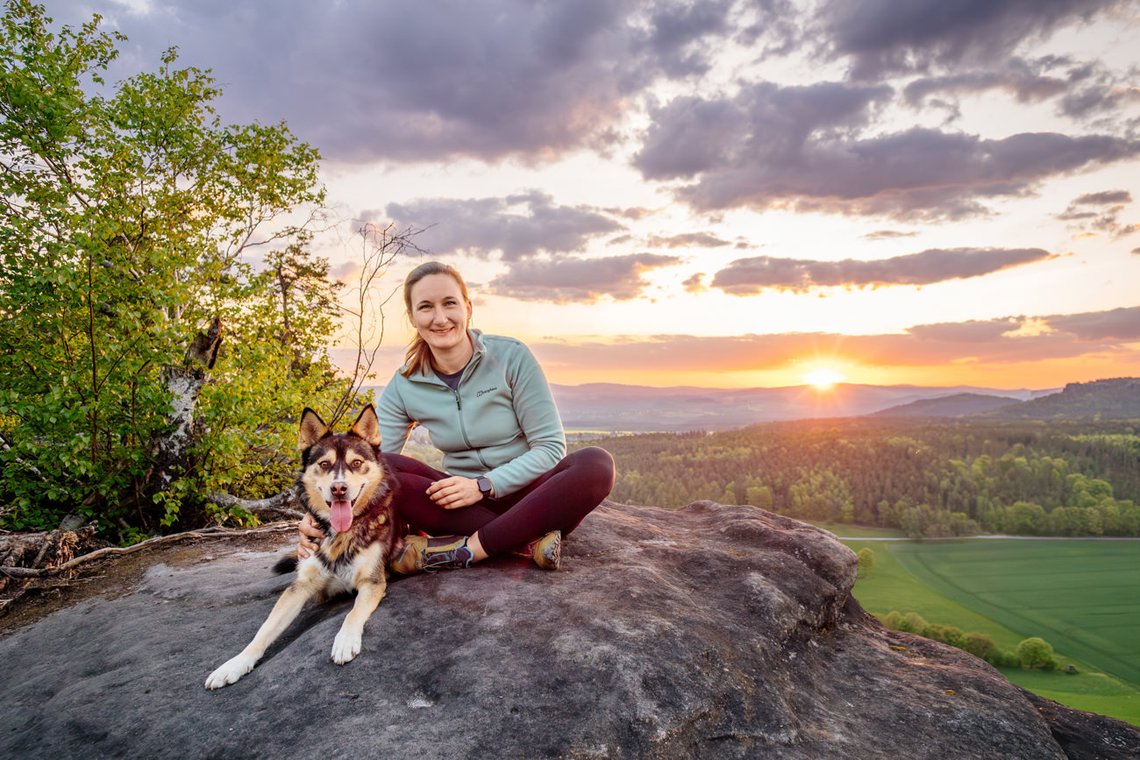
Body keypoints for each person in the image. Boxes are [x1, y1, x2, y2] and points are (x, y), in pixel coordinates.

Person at [298, 260, 615, 572]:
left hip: (534, 495)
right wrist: (322, 514)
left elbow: (549, 448)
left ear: (468, 307)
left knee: (596, 463)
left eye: (449, 303)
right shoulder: (405, 384)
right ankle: (528, 543)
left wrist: (483, 485)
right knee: (386, 468)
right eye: (425, 307)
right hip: (457, 505)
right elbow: (372, 470)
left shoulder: (511, 357)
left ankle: (468, 551)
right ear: (412, 317)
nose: (440, 318)